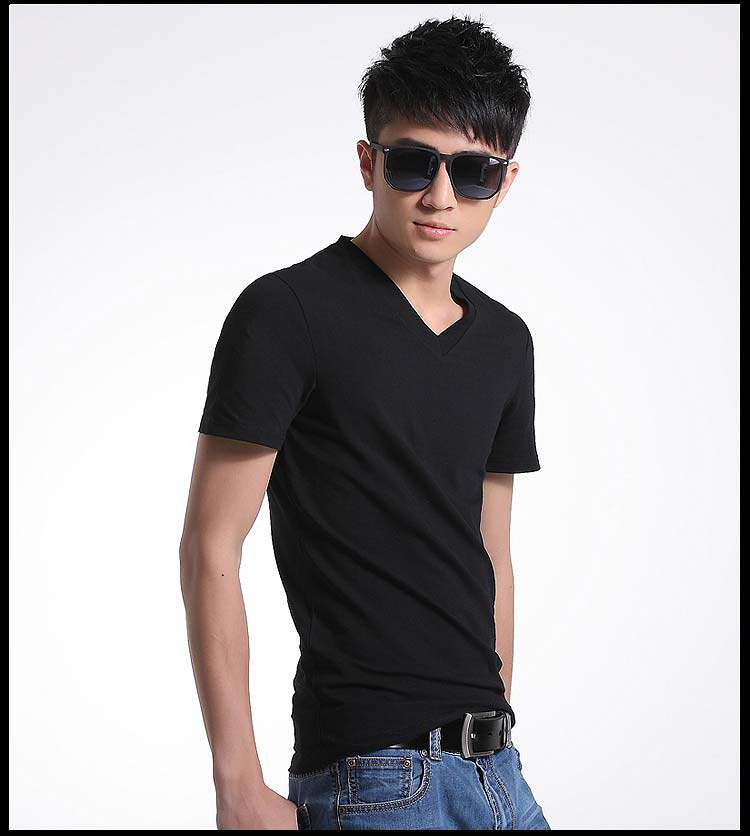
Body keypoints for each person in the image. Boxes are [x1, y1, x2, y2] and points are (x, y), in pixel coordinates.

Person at [180, 15, 550, 830]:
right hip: (374, 779)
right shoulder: (286, 313)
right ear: (367, 162)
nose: (441, 196)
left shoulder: (506, 342)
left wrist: (498, 719)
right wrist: (236, 784)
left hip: (499, 776)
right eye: (414, 162)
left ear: (505, 181)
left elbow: (492, 552)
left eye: (474, 172)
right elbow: (211, 543)